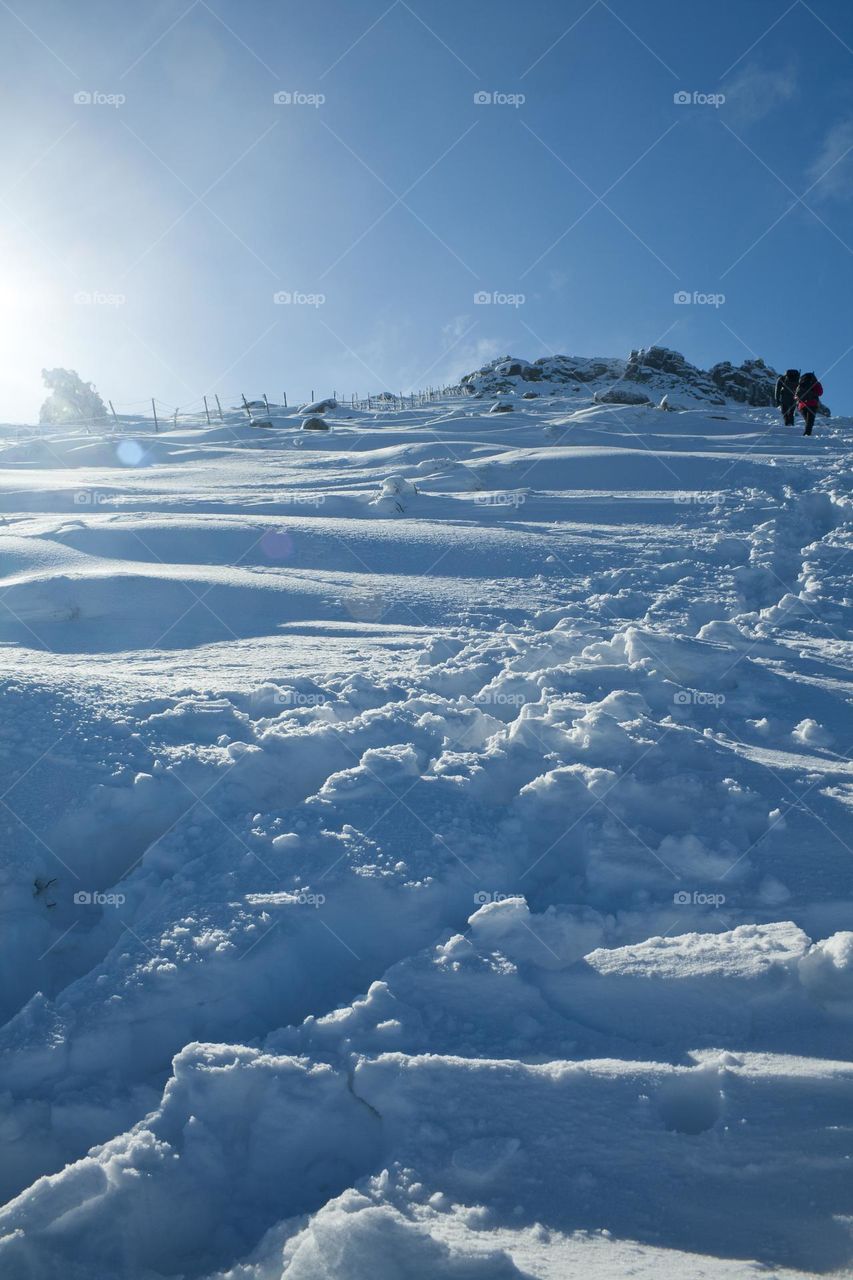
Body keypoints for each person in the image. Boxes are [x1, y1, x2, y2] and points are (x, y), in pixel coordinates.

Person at [795, 371, 823, 436]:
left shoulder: (801, 383)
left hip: (802, 405)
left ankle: (807, 433)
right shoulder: (815, 383)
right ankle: (807, 434)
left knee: (808, 420)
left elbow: (796, 395)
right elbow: (820, 392)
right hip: (812, 404)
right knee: (810, 420)